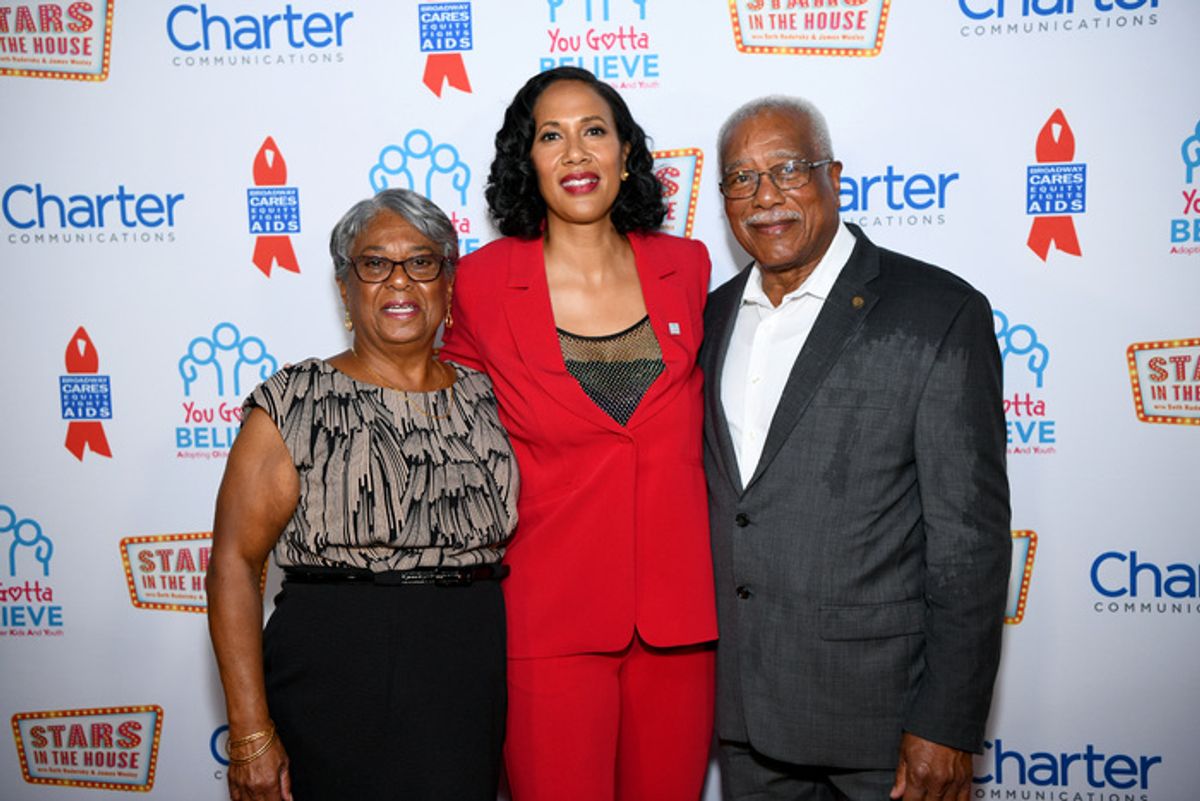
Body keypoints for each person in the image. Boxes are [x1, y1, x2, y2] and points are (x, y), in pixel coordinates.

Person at [702, 96, 1011, 801]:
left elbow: (971, 542)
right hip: (747, 721)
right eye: (741, 179)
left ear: (833, 175)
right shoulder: (710, 315)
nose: (765, 196)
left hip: (886, 726)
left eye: (787, 168)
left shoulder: (937, 311)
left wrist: (949, 722)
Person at [439, 66, 717, 801]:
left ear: (626, 152)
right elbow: (442, 425)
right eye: (550, 136)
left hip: (679, 625)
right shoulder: (478, 283)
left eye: (594, 131)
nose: (575, 152)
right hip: (548, 622)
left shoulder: (686, 266)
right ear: (526, 161)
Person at [206, 188, 517, 801]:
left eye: (422, 262)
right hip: (336, 667)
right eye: (374, 264)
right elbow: (233, 566)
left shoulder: (486, 396)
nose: (399, 282)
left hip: (467, 666)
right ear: (345, 288)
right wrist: (248, 733)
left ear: (448, 285)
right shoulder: (295, 400)